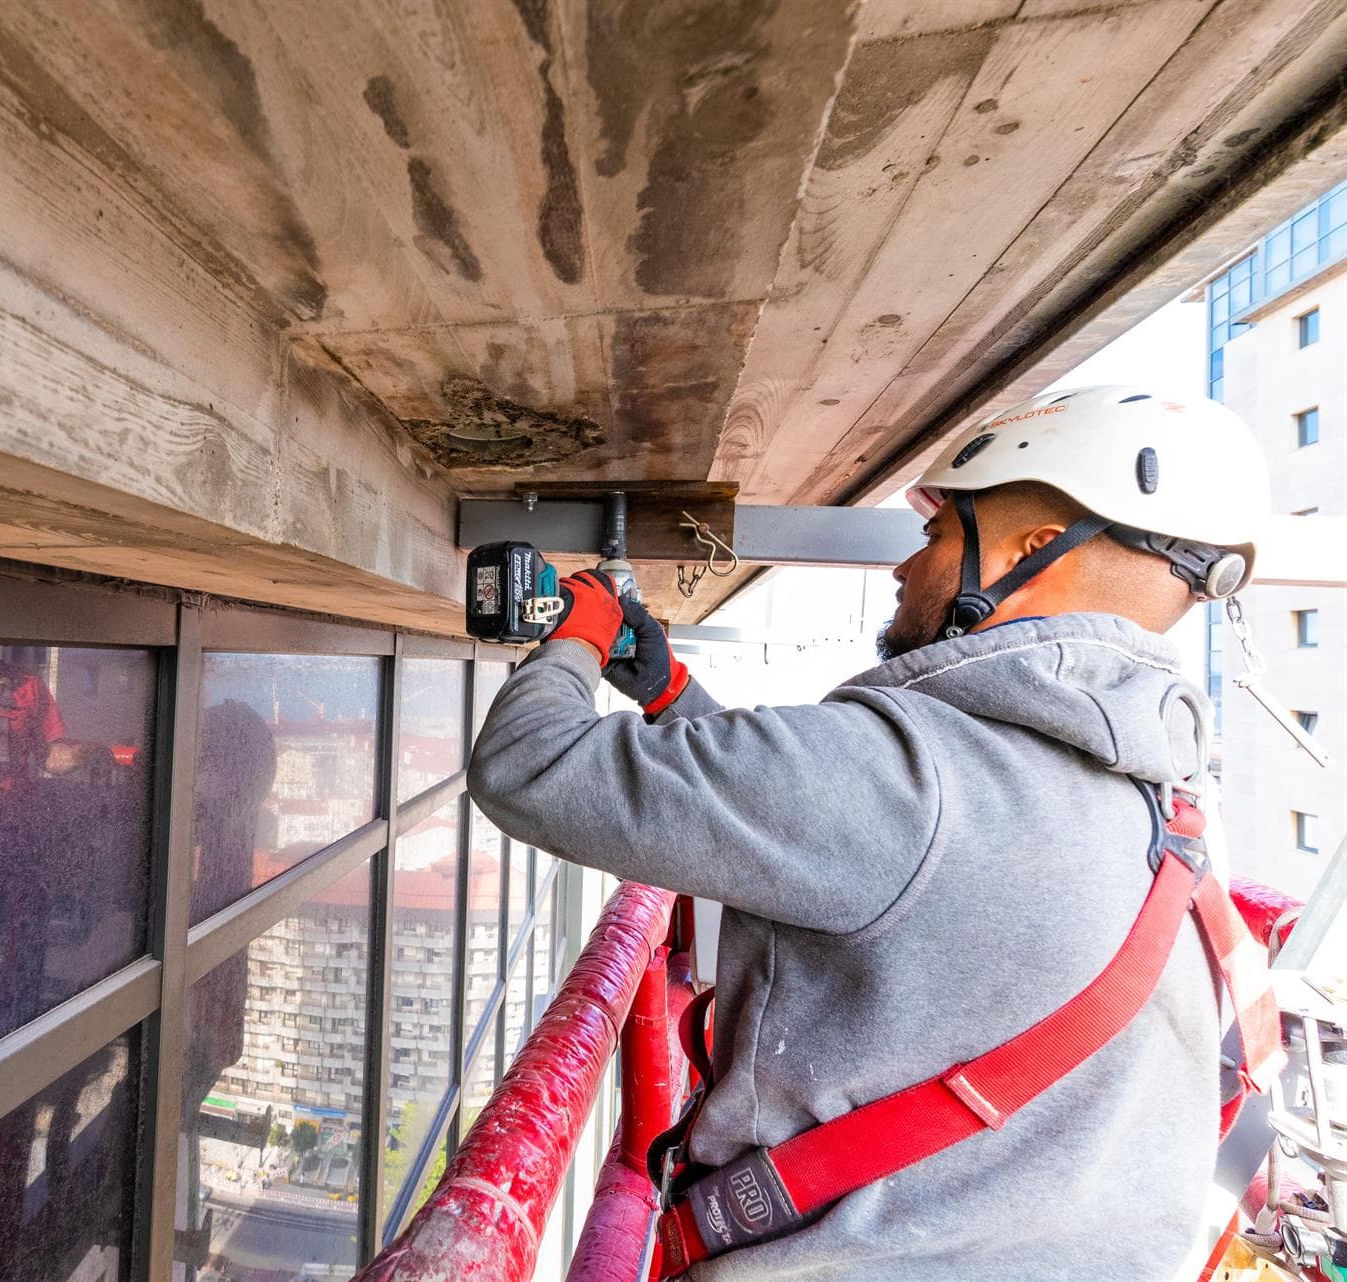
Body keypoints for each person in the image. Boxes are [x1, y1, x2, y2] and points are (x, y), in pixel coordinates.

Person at [468, 385, 1277, 1280]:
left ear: (1031, 551)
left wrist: (576, 639)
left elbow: (531, 766)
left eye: (935, 536)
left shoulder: (912, 775)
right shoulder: (1163, 806)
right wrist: (668, 694)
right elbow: (835, 833)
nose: (905, 569)